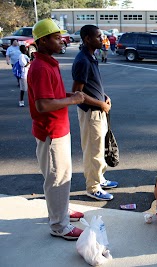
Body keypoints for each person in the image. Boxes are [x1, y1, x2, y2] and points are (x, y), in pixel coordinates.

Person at [28, 18, 86, 240]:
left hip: (58, 130)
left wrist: (69, 96)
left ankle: (62, 210)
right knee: (56, 178)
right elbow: (43, 104)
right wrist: (73, 101)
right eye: (55, 37)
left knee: (62, 176)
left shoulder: (48, 63)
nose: (62, 40)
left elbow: (51, 96)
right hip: (51, 132)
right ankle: (59, 225)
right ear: (42, 41)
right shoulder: (41, 67)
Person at [72, 25, 118, 201]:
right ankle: (93, 187)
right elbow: (77, 93)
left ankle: (100, 179)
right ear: (87, 39)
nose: (102, 39)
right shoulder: (82, 60)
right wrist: (100, 103)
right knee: (93, 152)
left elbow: (91, 86)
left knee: (100, 149)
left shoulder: (91, 57)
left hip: (99, 110)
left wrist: (104, 96)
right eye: (98, 37)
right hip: (91, 113)